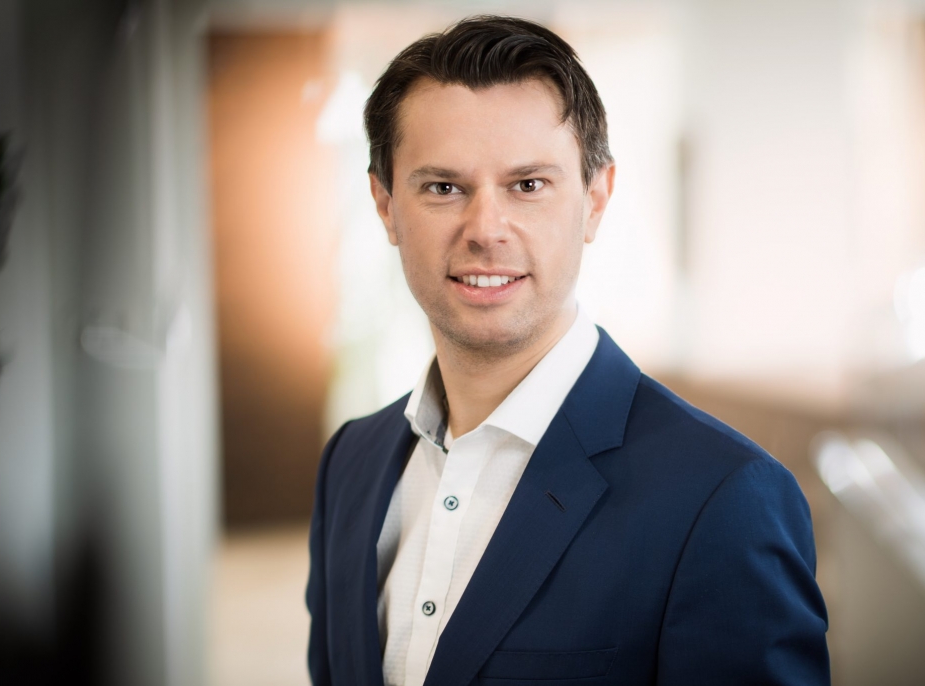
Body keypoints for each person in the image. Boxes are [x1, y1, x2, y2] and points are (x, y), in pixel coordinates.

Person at [306, 15, 829, 686]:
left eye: (528, 185)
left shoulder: (724, 498)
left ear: (596, 199)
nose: (485, 230)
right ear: (385, 205)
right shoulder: (350, 462)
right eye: (443, 187)